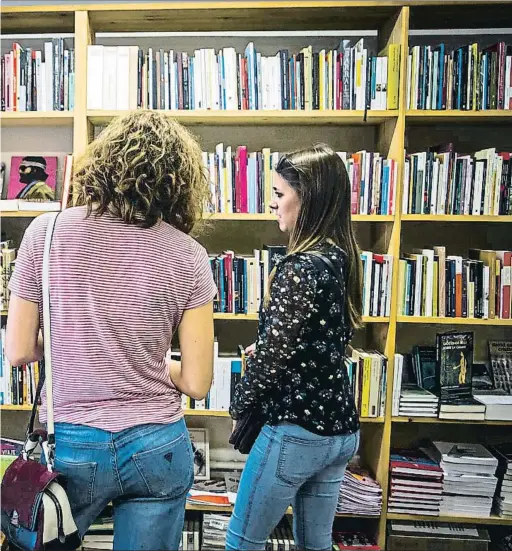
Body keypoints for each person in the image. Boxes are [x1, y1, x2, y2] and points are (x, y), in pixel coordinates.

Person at [6, 111, 217, 550]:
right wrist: (149, 361)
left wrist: (70, 341)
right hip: (158, 446)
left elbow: (19, 351)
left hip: (70, 447)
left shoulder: (45, 233)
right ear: (179, 182)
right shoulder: (189, 255)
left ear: (102, 163)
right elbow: (197, 383)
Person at [227, 144, 363, 551]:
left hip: (297, 430)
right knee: (316, 544)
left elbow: (270, 362)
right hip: (341, 430)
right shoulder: (341, 258)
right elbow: (324, 339)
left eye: (280, 194)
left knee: (242, 542)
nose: (273, 204)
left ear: (309, 201)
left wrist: (239, 409)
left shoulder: (298, 268)